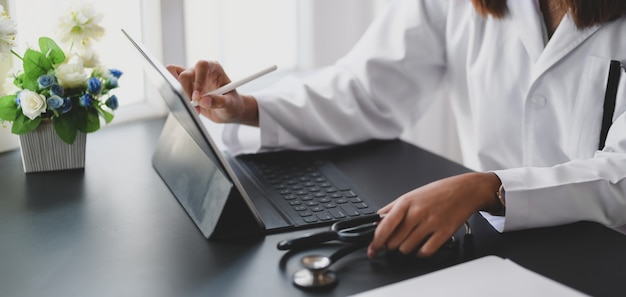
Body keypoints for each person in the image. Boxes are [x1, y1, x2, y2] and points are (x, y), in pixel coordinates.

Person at [167, 0, 626, 258]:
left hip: (605, 253)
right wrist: (245, 107)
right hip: (492, 245)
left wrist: (487, 188)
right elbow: (367, 88)